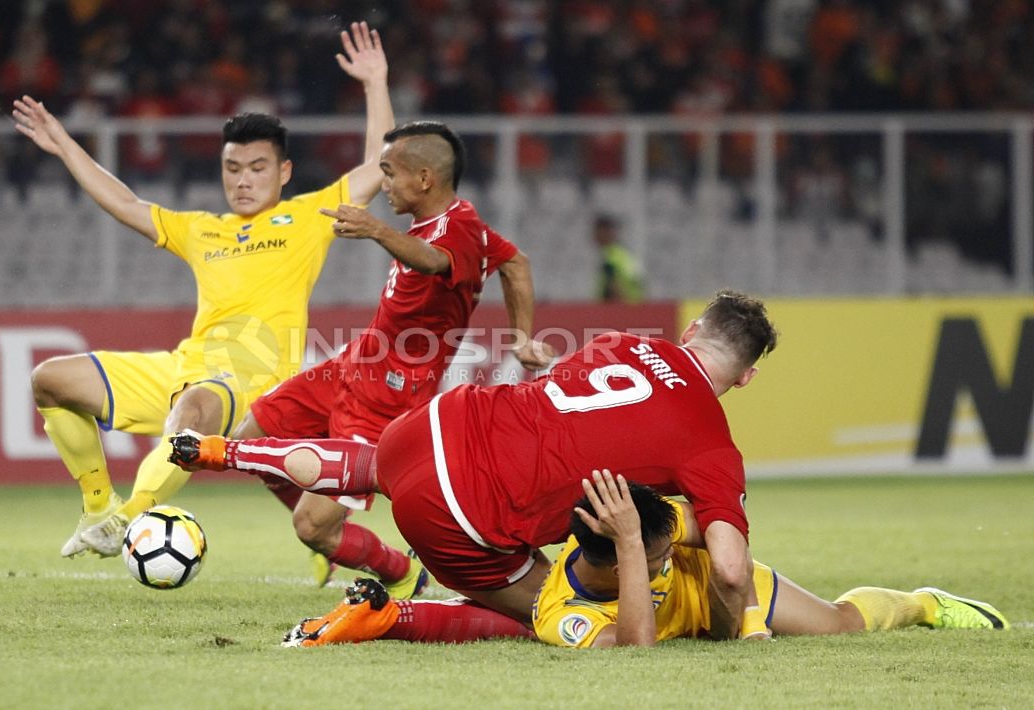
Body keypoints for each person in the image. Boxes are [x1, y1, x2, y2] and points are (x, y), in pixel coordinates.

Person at [172, 290, 776, 637]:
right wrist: (730, 630)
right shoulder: (713, 447)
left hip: (438, 421)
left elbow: (578, 404)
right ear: (747, 378)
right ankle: (384, 618)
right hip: (461, 509)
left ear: (694, 329)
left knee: (367, 465)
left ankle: (226, 450)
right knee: (557, 610)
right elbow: (728, 570)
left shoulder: (623, 342)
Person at [11, 22, 395, 559]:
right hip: (186, 366)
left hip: (253, 377)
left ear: (284, 172)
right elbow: (125, 204)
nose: (243, 180)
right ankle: (99, 508)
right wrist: (65, 147)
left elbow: (379, 165)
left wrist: (375, 83)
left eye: (257, 168)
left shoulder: (306, 216)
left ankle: (126, 520)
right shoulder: (201, 229)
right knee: (49, 380)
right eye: (232, 168)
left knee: (192, 411)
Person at [170, 119, 553, 599]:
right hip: (354, 363)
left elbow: (432, 261)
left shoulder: (458, 229)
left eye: (390, 173)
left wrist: (375, 229)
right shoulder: (453, 221)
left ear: (425, 179)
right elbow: (516, 264)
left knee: (311, 525)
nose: (384, 184)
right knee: (255, 442)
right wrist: (521, 338)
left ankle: (398, 570)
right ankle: (335, 532)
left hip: (389, 396)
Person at [280, 471, 1009, 647]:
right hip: (680, 616)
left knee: (845, 627)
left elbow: (716, 534)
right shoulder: (562, 614)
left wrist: (729, 589)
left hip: (729, 596)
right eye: (655, 549)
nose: (669, 552)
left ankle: (922, 601)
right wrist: (639, 550)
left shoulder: (649, 531)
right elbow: (634, 654)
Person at [593, 215, 642, 303]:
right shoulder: (623, 255)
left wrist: (620, 312)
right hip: (635, 307)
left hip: (623, 309)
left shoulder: (610, 258)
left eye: (598, 232)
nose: (595, 236)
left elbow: (614, 285)